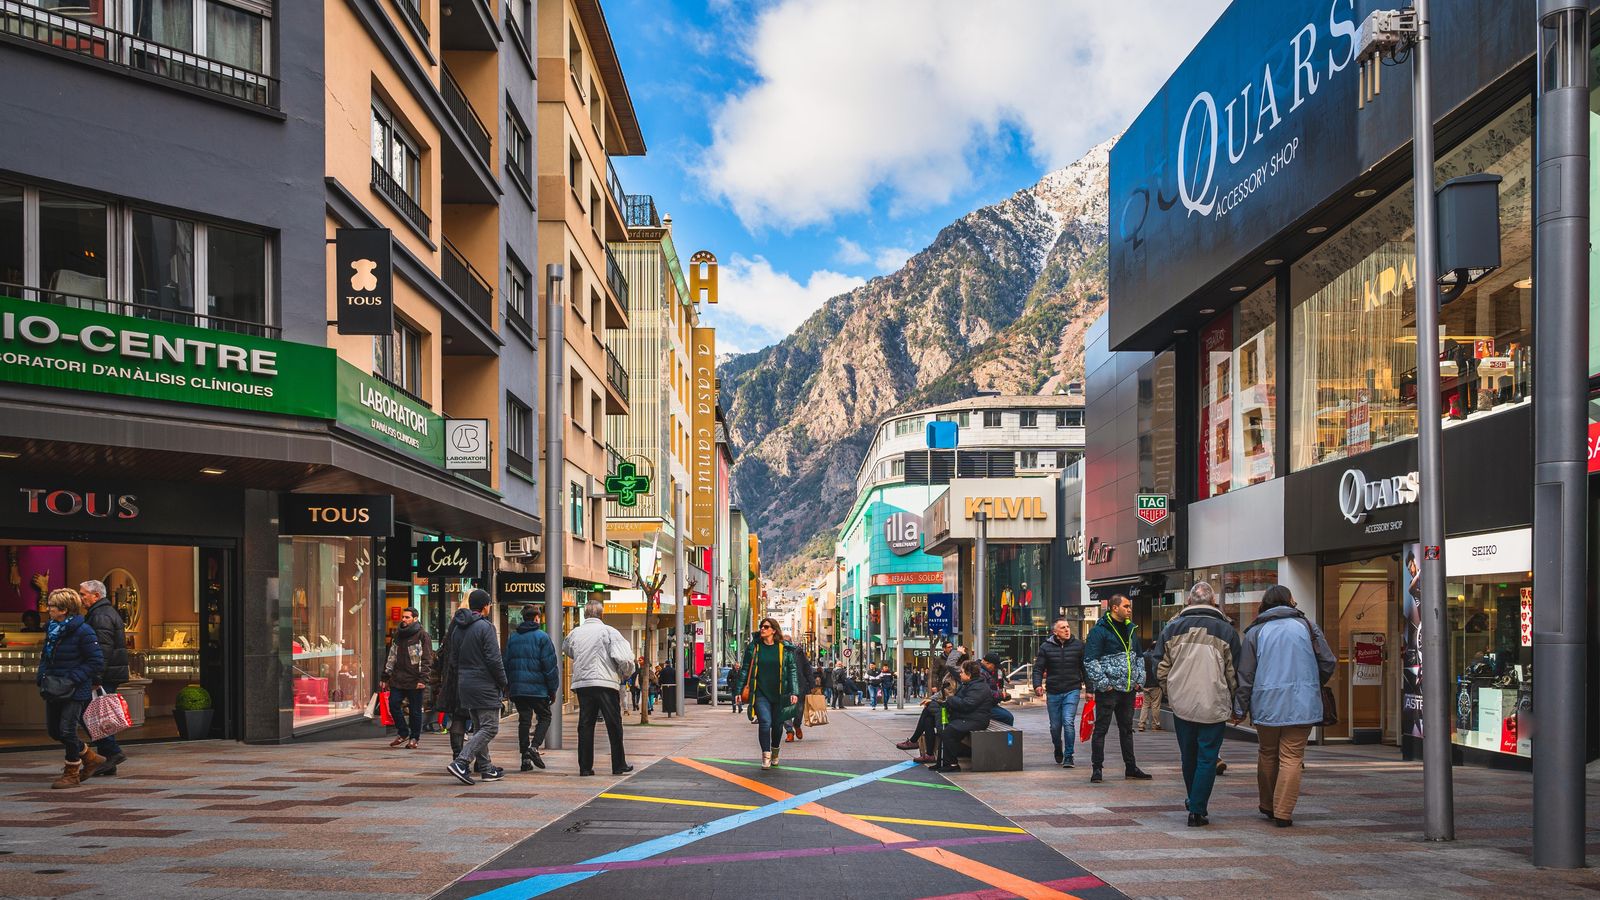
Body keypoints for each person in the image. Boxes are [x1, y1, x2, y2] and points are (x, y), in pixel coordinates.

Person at [1235, 585, 1336, 827]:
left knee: (1267, 752)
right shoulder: (1308, 627)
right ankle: (1283, 812)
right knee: (1292, 756)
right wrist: (1311, 682)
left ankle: (1268, 804)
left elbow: (1245, 675)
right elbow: (1328, 661)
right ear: (1290, 601)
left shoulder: (1255, 631)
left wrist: (1240, 708)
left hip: (1266, 702)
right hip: (1303, 702)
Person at [1153, 581, 1241, 827]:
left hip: (1182, 703)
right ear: (1213, 602)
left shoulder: (1171, 629)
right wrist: (1234, 699)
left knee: (1188, 755)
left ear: (1189, 601)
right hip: (1214, 701)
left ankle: (1194, 801)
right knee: (1207, 757)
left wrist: (1170, 691)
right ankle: (1197, 808)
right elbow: (1234, 672)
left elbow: (1160, 666)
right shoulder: (1226, 631)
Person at [37, 588, 104, 789]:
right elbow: (45, 656)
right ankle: (90, 757)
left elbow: (96, 661)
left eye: (52, 606)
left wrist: (73, 678)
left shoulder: (84, 630)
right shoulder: (51, 629)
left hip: (75, 689)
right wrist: (41, 676)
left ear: (64, 610)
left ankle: (72, 773)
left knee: (67, 730)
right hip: (54, 686)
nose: (48, 609)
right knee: (55, 731)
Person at [1083, 594, 1153, 784]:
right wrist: (1105, 684)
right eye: (1126, 606)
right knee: (1101, 729)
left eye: (1130, 606)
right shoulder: (1100, 630)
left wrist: (1140, 680)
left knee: (1127, 729)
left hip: (1128, 689)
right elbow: (1090, 660)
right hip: (1109, 690)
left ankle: (1131, 767)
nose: (1130, 609)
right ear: (1114, 608)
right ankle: (1097, 768)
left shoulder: (1131, 629)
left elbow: (1139, 657)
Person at [442, 590, 509, 785]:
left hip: (465, 684)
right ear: (485, 606)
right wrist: (504, 683)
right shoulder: (485, 627)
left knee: (479, 727)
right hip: (484, 684)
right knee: (490, 727)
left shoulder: (458, 628)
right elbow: (494, 659)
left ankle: (487, 769)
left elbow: (452, 659)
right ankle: (461, 762)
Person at [564, 599, 637, 776]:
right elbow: (626, 659)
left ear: (585, 614)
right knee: (613, 724)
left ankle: (585, 767)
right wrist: (624, 673)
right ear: (601, 614)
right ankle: (618, 764)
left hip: (583, 684)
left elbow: (567, 650)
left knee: (585, 724)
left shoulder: (575, 633)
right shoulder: (609, 632)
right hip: (605, 683)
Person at [733, 617, 799, 770]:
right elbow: (745, 670)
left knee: (777, 725)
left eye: (766, 627)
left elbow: (792, 671)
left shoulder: (784, 649)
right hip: (760, 693)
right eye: (761, 626)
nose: (762, 629)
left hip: (780, 693)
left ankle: (775, 751)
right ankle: (766, 755)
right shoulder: (754, 648)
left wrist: (794, 692)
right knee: (765, 723)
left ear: (774, 630)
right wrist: (738, 690)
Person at [80, 579, 129, 776]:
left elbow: (102, 649)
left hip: (104, 674)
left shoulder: (100, 616)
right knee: (100, 715)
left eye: (83, 594)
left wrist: (96, 677)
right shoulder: (101, 613)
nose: (81, 597)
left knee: (90, 714)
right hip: (109, 672)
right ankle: (107, 761)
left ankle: (112, 752)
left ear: (96, 595)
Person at [504, 604, 559, 771]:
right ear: (537, 618)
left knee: (524, 720)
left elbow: (507, 663)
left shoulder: (513, 638)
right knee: (545, 716)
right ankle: (534, 747)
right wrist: (553, 689)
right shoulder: (542, 637)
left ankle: (524, 760)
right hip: (538, 689)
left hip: (519, 688)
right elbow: (550, 666)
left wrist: (509, 686)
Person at [1033, 617, 1086, 767]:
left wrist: (1090, 689)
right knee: (1055, 727)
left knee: (1068, 722)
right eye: (1063, 628)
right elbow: (1038, 668)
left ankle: (1069, 756)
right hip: (1053, 691)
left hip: (1072, 689)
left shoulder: (1078, 646)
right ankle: (1058, 747)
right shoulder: (1045, 647)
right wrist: (1037, 685)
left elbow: (1085, 668)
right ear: (1055, 632)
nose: (1067, 630)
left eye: (1068, 627)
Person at [383, 607, 434, 751]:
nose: (403, 619)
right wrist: (385, 675)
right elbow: (391, 655)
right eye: (403, 617)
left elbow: (427, 659)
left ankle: (414, 738)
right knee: (393, 704)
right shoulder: (398, 635)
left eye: (407, 617)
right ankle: (403, 732)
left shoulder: (422, 635)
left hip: (415, 680)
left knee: (415, 711)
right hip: (398, 679)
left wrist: (423, 679)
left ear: (415, 619)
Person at [935, 661, 993, 772]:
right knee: (942, 726)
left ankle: (952, 764)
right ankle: (942, 762)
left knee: (949, 731)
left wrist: (951, 699)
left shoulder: (979, 687)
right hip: (968, 717)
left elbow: (967, 704)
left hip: (976, 720)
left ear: (969, 674)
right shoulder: (969, 684)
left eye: (962, 672)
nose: (960, 674)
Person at [898, 663, 958, 764]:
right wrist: (930, 699)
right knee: (928, 719)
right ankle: (928, 754)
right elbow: (942, 693)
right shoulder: (951, 676)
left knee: (929, 709)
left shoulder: (960, 678)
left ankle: (914, 741)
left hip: (952, 712)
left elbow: (952, 698)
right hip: (946, 708)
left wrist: (933, 701)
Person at [783, 641, 814, 741]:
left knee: (799, 709)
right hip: (784, 686)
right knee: (785, 709)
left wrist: (812, 684)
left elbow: (807, 669)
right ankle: (789, 732)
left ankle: (797, 725)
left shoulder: (799, 653)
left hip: (799, 685)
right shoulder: (778, 652)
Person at [979, 653, 1015, 726]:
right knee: (1008, 717)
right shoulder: (981, 673)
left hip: (987, 703)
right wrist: (1000, 695)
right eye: (994, 666)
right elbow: (984, 691)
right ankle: (1008, 737)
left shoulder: (985, 671)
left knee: (1006, 716)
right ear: (987, 663)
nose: (995, 669)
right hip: (983, 706)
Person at [1138, 646, 1164, 732]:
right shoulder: (1157, 656)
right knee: (1155, 705)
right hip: (1155, 685)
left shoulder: (1144, 655)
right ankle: (1155, 725)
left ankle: (1141, 724)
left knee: (1145, 705)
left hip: (1145, 685)